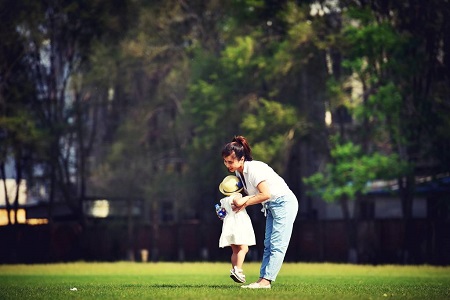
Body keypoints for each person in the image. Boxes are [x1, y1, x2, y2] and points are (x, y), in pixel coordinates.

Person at [221, 135, 298, 289]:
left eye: (231, 161)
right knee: (268, 245)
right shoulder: (239, 173)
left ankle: (266, 281)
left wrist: (245, 201)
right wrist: (235, 206)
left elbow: (265, 194)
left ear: (241, 160)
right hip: (270, 206)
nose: (227, 165)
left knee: (277, 245)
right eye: (225, 161)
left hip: (283, 203)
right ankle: (262, 280)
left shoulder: (254, 168)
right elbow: (254, 197)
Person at [217, 175, 256, 284]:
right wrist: (250, 197)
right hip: (238, 225)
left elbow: (221, 214)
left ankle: (235, 269)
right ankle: (238, 270)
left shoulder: (224, 200)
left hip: (229, 226)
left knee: (235, 250)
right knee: (244, 249)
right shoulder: (236, 196)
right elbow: (238, 203)